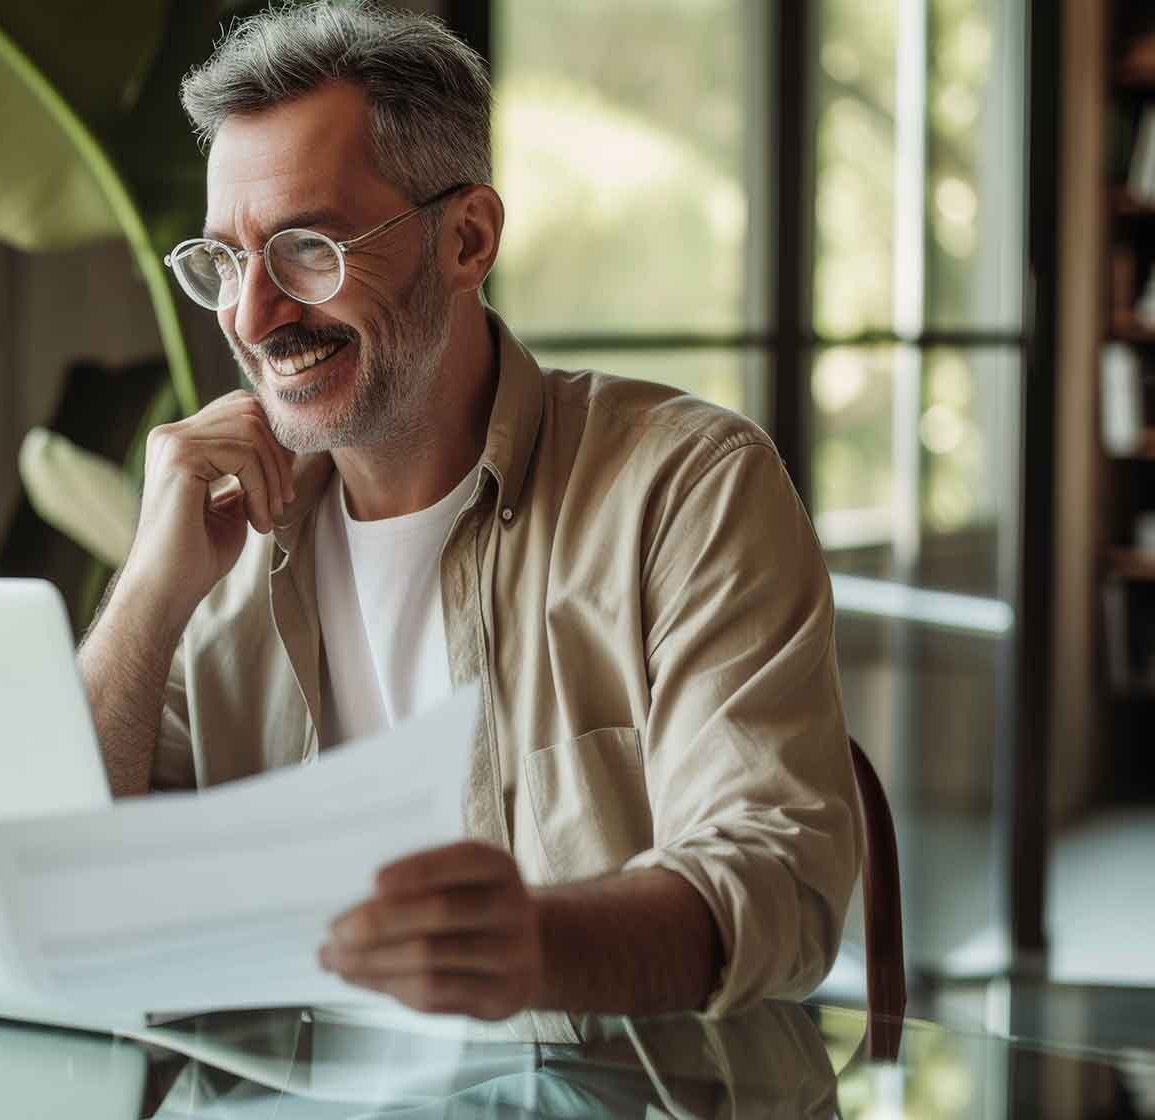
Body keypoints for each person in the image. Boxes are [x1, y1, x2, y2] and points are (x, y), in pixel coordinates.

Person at [77, 1, 860, 1034]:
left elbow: (781, 882)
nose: (253, 318)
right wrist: (145, 589)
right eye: (223, 262)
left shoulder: (684, 489)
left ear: (467, 238)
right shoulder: (215, 546)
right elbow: (67, 882)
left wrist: (534, 946)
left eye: (308, 249)